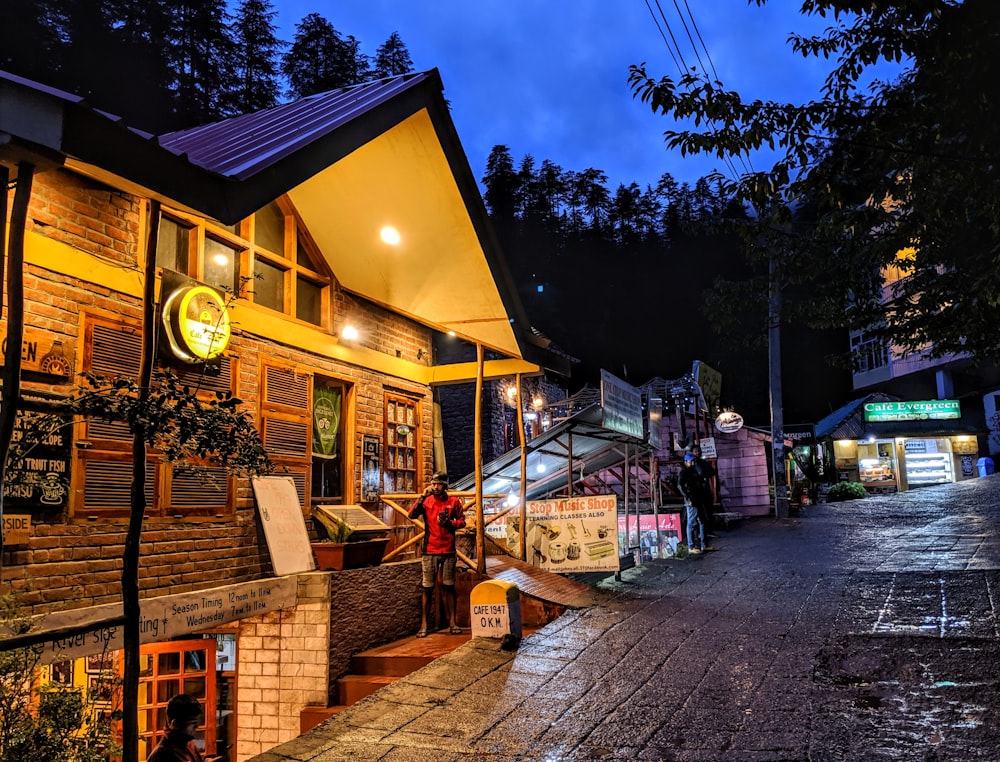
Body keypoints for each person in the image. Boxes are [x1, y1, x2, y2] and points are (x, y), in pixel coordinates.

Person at [408, 471, 467, 636]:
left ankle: (452, 622)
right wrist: (421, 497)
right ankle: (424, 625)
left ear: (445, 485)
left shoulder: (453, 501)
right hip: (430, 549)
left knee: (449, 586)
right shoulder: (426, 501)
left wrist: (450, 523)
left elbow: (462, 521)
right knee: (427, 587)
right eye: (433, 484)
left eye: (438, 484)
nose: (435, 487)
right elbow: (411, 514)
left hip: (448, 550)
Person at [148, 693, 222, 762]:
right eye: (193, 723)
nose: (197, 726)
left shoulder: (188, 743)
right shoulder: (162, 755)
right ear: (175, 724)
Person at [677, 453, 709, 554]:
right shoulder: (684, 472)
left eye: (694, 461)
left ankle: (704, 545)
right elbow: (680, 485)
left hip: (698, 498)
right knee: (691, 523)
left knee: (702, 521)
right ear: (686, 462)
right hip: (691, 500)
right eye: (691, 461)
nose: (693, 463)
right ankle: (691, 547)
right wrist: (687, 497)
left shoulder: (694, 470)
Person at [690, 443, 717, 536]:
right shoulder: (692, 464)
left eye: (699, 451)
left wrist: (704, 474)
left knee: (709, 511)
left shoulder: (703, 462)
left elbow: (712, 472)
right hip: (696, 492)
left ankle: (708, 531)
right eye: (695, 451)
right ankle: (699, 533)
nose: (698, 453)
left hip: (705, 490)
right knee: (698, 514)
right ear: (692, 453)